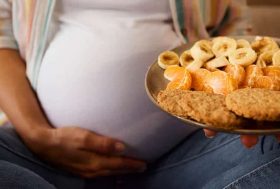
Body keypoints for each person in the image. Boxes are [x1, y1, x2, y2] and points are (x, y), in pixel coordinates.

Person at [0, 0, 280, 188]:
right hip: (42, 157)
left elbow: (237, 38)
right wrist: (36, 135)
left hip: (188, 155)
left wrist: (247, 116)